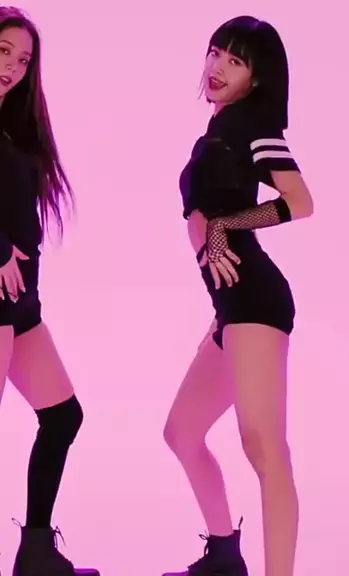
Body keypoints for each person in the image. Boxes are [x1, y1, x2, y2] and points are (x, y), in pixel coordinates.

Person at [162, 15, 314, 576]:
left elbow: (299, 201)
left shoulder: (251, 125)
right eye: (215, 53)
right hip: (230, 308)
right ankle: (225, 556)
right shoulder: (219, 129)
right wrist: (217, 313)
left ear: (257, 77)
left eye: (235, 61)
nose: (217, 67)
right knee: (182, 432)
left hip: (255, 300)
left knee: (264, 447)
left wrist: (227, 225)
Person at [0, 7, 99, 576]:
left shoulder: (12, 125)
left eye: (23, 60)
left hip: (22, 306)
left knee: (62, 416)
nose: (12, 68)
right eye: (3, 52)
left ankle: (35, 550)